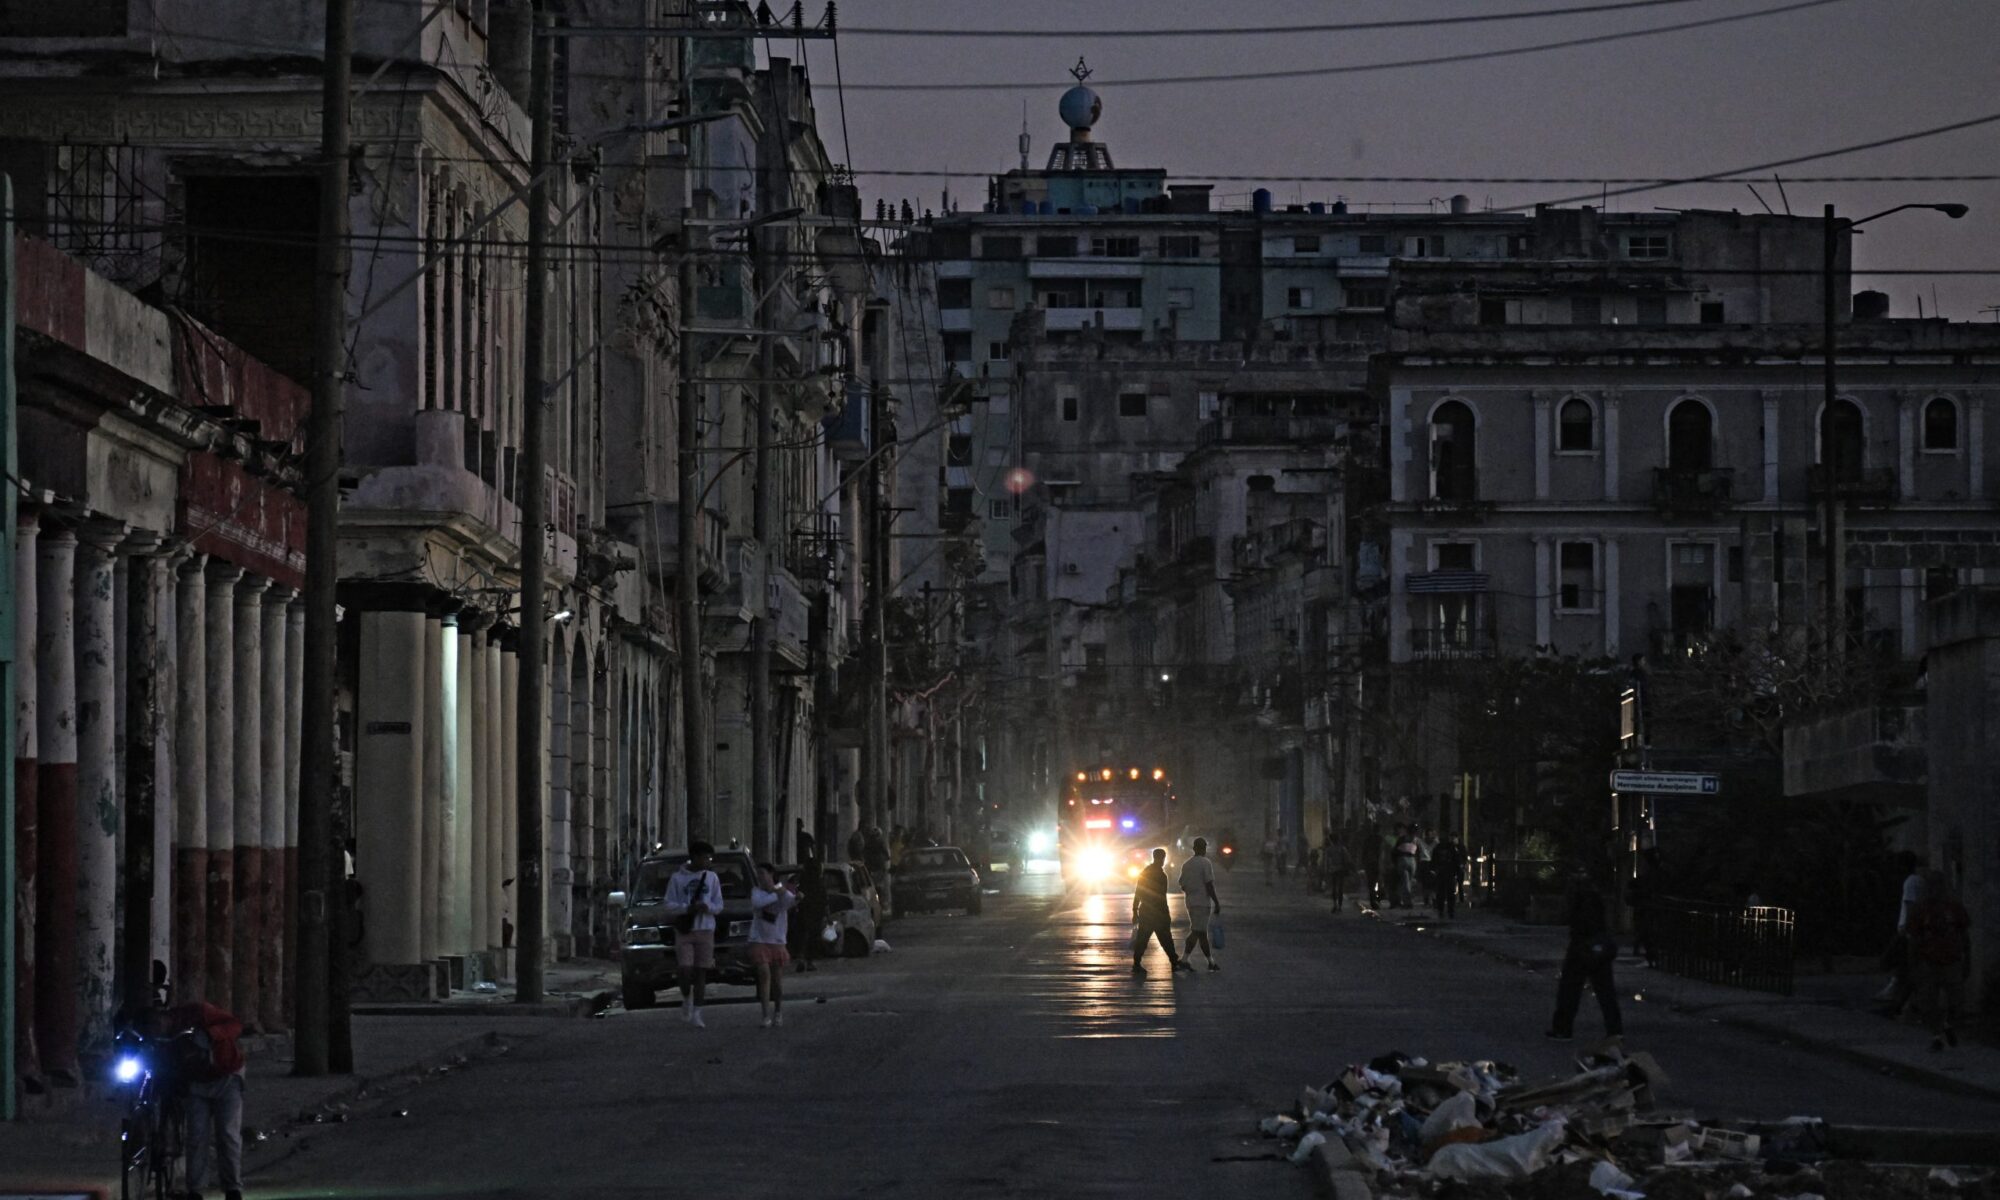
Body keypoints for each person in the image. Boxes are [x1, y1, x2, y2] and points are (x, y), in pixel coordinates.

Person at [146, 999, 246, 1200]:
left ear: (165, 1016)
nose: (159, 1031)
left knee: (227, 1134)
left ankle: (232, 1188)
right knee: (196, 1136)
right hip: (195, 1084)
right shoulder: (164, 1041)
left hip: (226, 1076)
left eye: (158, 1025)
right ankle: (196, 1190)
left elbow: (235, 1025)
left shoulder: (197, 1012)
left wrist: (211, 1035)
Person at [1545, 875, 1623, 1042]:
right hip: (1598, 944)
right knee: (1605, 991)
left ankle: (1563, 1028)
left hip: (1581, 945)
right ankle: (1615, 1030)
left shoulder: (1577, 894)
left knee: (1570, 989)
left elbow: (1568, 917)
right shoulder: (1595, 897)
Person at [1905, 870, 1970, 1052]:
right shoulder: (1920, 909)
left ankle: (1948, 1025)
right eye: (1932, 885)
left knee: (1957, 1001)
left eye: (1938, 885)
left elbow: (1964, 935)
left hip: (1952, 960)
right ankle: (1936, 1036)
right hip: (1928, 961)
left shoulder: (1954, 907)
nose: (1935, 889)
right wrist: (1913, 965)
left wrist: (1967, 960)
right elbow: (1913, 938)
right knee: (1928, 1003)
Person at [663, 841, 724, 1028]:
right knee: (685, 969)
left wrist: (708, 908)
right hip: (685, 930)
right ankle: (686, 996)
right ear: (695, 857)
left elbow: (719, 905)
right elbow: (668, 904)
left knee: (700, 972)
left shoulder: (712, 878)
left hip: (705, 929)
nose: (708, 861)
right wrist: (687, 908)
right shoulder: (677, 878)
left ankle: (698, 1012)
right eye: (706, 857)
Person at [749, 863, 799, 1028]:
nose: (760, 877)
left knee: (776, 980)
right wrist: (776, 893)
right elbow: (758, 903)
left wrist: (786, 893)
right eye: (758, 874)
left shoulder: (783, 892)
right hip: (759, 939)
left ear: (771, 874)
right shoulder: (757, 892)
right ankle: (765, 1014)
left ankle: (778, 1010)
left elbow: (792, 901)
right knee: (764, 975)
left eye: (763, 873)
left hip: (776, 940)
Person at [1132, 848, 1191, 977]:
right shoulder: (1161, 875)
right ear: (1162, 858)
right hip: (1159, 912)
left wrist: (1135, 911)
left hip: (1146, 912)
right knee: (1166, 939)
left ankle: (1136, 964)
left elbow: (1138, 893)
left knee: (1143, 939)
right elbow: (1161, 896)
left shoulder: (1145, 872)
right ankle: (1174, 962)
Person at [1178, 838, 1223, 971]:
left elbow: (1183, 885)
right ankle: (1184, 960)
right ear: (1204, 848)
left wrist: (1192, 891)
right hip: (1202, 903)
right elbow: (1209, 884)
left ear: (1194, 848)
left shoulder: (1186, 864)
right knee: (1197, 931)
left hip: (1191, 902)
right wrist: (1216, 902)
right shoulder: (1205, 863)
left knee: (1201, 933)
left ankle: (1211, 962)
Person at [794, 854, 827, 974]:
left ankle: (802, 959)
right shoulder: (818, 882)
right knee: (812, 937)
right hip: (814, 913)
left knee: (804, 937)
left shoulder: (804, 880)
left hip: (805, 912)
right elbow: (823, 899)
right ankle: (808, 961)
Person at [1432, 835, 1466, 919]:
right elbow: (1457, 860)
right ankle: (1448, 911)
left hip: (1445, 873)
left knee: (1443, 893)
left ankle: (1444, 911)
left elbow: (1434, 861)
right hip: (1448, 873)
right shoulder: (1450, 848)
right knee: (1447, 893)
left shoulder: (1439, 848)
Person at [1392, 827, 1421, 909]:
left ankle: (1406, 901)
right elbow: (1418, 853)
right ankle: (1407, 901)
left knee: (1407, 882)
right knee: (1407, 882)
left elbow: (1395, 851)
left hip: (1405, 859)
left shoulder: (1403, 839)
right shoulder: (1416, 840)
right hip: (1409, 860)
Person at [1324, 837, 1353, 914]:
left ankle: (1334, 905)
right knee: (1340, 888)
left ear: (1331, 841)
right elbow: (1348, 859)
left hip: (1333, 870)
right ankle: (1340, 906)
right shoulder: (1342, 849)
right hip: (1341, 869)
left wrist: (1326, 871)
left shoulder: (1329, 850)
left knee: (1334, 887)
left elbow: (1326, 861)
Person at [1359, 825, 1383, 910]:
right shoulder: (1380, 839)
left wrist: (1362, 862)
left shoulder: (1368, 839)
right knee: (1379, 882)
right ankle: (1377, 900)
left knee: (1371, 883)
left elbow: (1363, 852)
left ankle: (1373, 901)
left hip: (1370, 863)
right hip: (1378, 863)